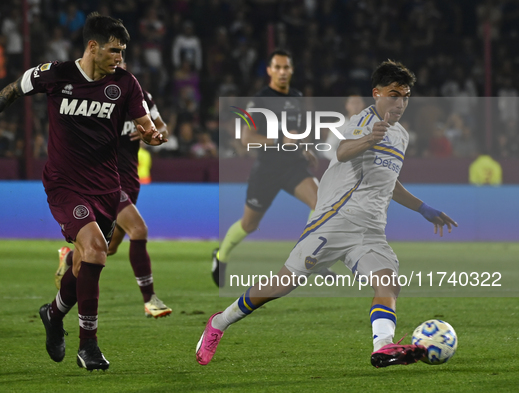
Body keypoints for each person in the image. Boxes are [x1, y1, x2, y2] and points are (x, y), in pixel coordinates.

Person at [196, 60, 458, 368]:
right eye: (394, 94)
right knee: (281, 285)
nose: (400, 102)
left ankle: (383, 347)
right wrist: (370, 138)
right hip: (335, 220)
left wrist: (423, 208)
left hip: (371, 230)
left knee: (388, 283)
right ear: (377, 94)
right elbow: (343, 151)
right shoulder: (361, 121)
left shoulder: (401, 135)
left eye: (406, 95)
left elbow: (389, 181)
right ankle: (219, 322)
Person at [0, 13, 166, 371]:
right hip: (65, 184)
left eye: (122, 51)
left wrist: (153, 135)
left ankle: (53, 313)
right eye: (114, 51)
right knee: (97, 251)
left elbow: (148, 125)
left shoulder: (126, 84)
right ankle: (89, 345)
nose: (119, 57)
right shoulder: (56, 74)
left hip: (106, 187)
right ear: (92, 47)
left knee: (83, 260)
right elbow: (12, 90)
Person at [212, 49, 328, 288]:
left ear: (292, 70)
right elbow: (247, 138)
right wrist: (279, 141)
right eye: (278, 67)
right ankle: (220, 256)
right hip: (267, 169)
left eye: (286, 67)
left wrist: (305, 147)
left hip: (293, 166)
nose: (282, 72)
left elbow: (296, 133)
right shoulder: (260, 100)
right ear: (269, 71)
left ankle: (308, 257)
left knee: (321, 203)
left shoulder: (296, 96)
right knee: (249, 225)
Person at [56, 82, 172, 319]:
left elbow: (163, 130)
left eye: (122, 57)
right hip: (105, 181)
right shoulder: (96, 98)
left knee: (109, 247)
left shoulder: (142, 98)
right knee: (138, 229)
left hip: (130, 180)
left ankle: (67, 258)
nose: (118, 62)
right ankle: (150, 300)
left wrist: (152, 135)